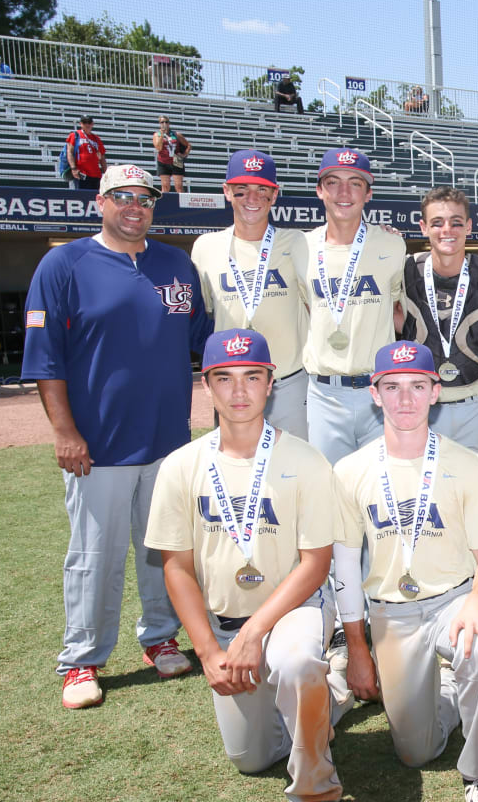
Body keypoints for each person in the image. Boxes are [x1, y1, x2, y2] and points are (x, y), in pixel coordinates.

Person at [22, 164, 213, 709]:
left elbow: (204, 338)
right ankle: (81, 660)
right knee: (94, 555)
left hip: (168, 441)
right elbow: (44, 359)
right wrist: (64, 431)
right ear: (99, 202)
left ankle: (161, 638)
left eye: (145, 198)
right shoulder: (64, 263)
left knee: (165, 551)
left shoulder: (175, 264)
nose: (135, 207)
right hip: (97, 446)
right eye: (122, 197)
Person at [146, 329, 348, 802]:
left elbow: (317, 564)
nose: (239, 391)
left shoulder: (306, 460)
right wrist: (208, 652)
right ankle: (331, 690)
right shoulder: (181, 465)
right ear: (206, 385)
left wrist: (255, 633)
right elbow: (176, 568)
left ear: (271, 382)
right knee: (251, 759)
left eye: (252, 377)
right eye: (225, 378)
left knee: (295, 662)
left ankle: (315, 783)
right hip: (226, 625)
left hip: (293, 610)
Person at [334, 340, 478, 802]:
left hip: (454, 601)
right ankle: (452, 689)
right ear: (374, 394)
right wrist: (356, 647)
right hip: (392, 612)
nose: (405, 399)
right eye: (392, 387)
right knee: (416, 751)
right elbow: (346, 567)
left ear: (436, 392)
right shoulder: (350, 471)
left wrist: (477, 600)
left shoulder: (468, 465)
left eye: (417, 386)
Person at [191, 150, 312, 438]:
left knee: (293, 470)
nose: (252, 199)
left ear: (274, 194)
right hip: (232, 383)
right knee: (238, 470)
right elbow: (207, 311)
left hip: (289, 381)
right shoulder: (205, 247)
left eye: (262, 190)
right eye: (241, 190)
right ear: (226, 192)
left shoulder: (299, 242)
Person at [302, 148, 407, 465]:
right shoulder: (300, 247)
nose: (344, 192)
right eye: (333, 182)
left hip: (379, 390)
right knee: (329, 495)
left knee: (381, 492)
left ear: (369, 192)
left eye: (355, 183)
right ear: (320, 190)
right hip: (324, 395)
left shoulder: (391, 244)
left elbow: (401, 311)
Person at [401, 187, 478, 455]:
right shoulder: (405, 270)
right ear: (423, 227)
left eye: (456, 222)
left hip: (476, 407)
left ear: (468, 226)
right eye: (437, 222)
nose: (447, 229)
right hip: (423, 406)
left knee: (477, 487)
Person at [153, 116, 191, 194]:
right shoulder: (157, 135)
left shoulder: (176, 134)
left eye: (166, 122)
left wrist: (184, 154)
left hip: (176, 160)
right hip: (163, 161)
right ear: (159, 124)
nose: (164, 124)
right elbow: (158, 148)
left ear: (169, 123)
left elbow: (188, 145)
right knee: (165, 185)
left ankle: (181, 204)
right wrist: (161, 136)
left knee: (178, 186)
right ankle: (165, 203)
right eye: (162, 122)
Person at [66, 117, 106, 191]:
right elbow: (70, 152)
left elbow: (102, 157)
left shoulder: (96, 139)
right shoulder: (75, 135)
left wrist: (105, 172)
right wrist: (73, 168)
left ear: (92, 124)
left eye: (89, 122)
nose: (87, 124)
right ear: (81, 124)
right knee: (82, 196)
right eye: (84, 122)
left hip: (96, 175)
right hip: (81, 174)